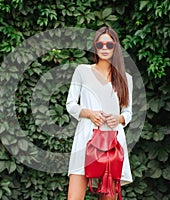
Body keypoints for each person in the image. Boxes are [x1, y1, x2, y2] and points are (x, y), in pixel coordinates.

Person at [66, 26, 133, 200]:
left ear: (115, 47)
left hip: (113, 138)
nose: (104, 48)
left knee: (108, 196)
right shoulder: (82, 71)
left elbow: (128, 112)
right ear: (95, 46)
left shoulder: (126, 78)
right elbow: (71, 104)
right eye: (100, 44)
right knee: (74, 196)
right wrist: (88, 113)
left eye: (109, 45)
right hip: (86, 136)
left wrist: (119, 118)